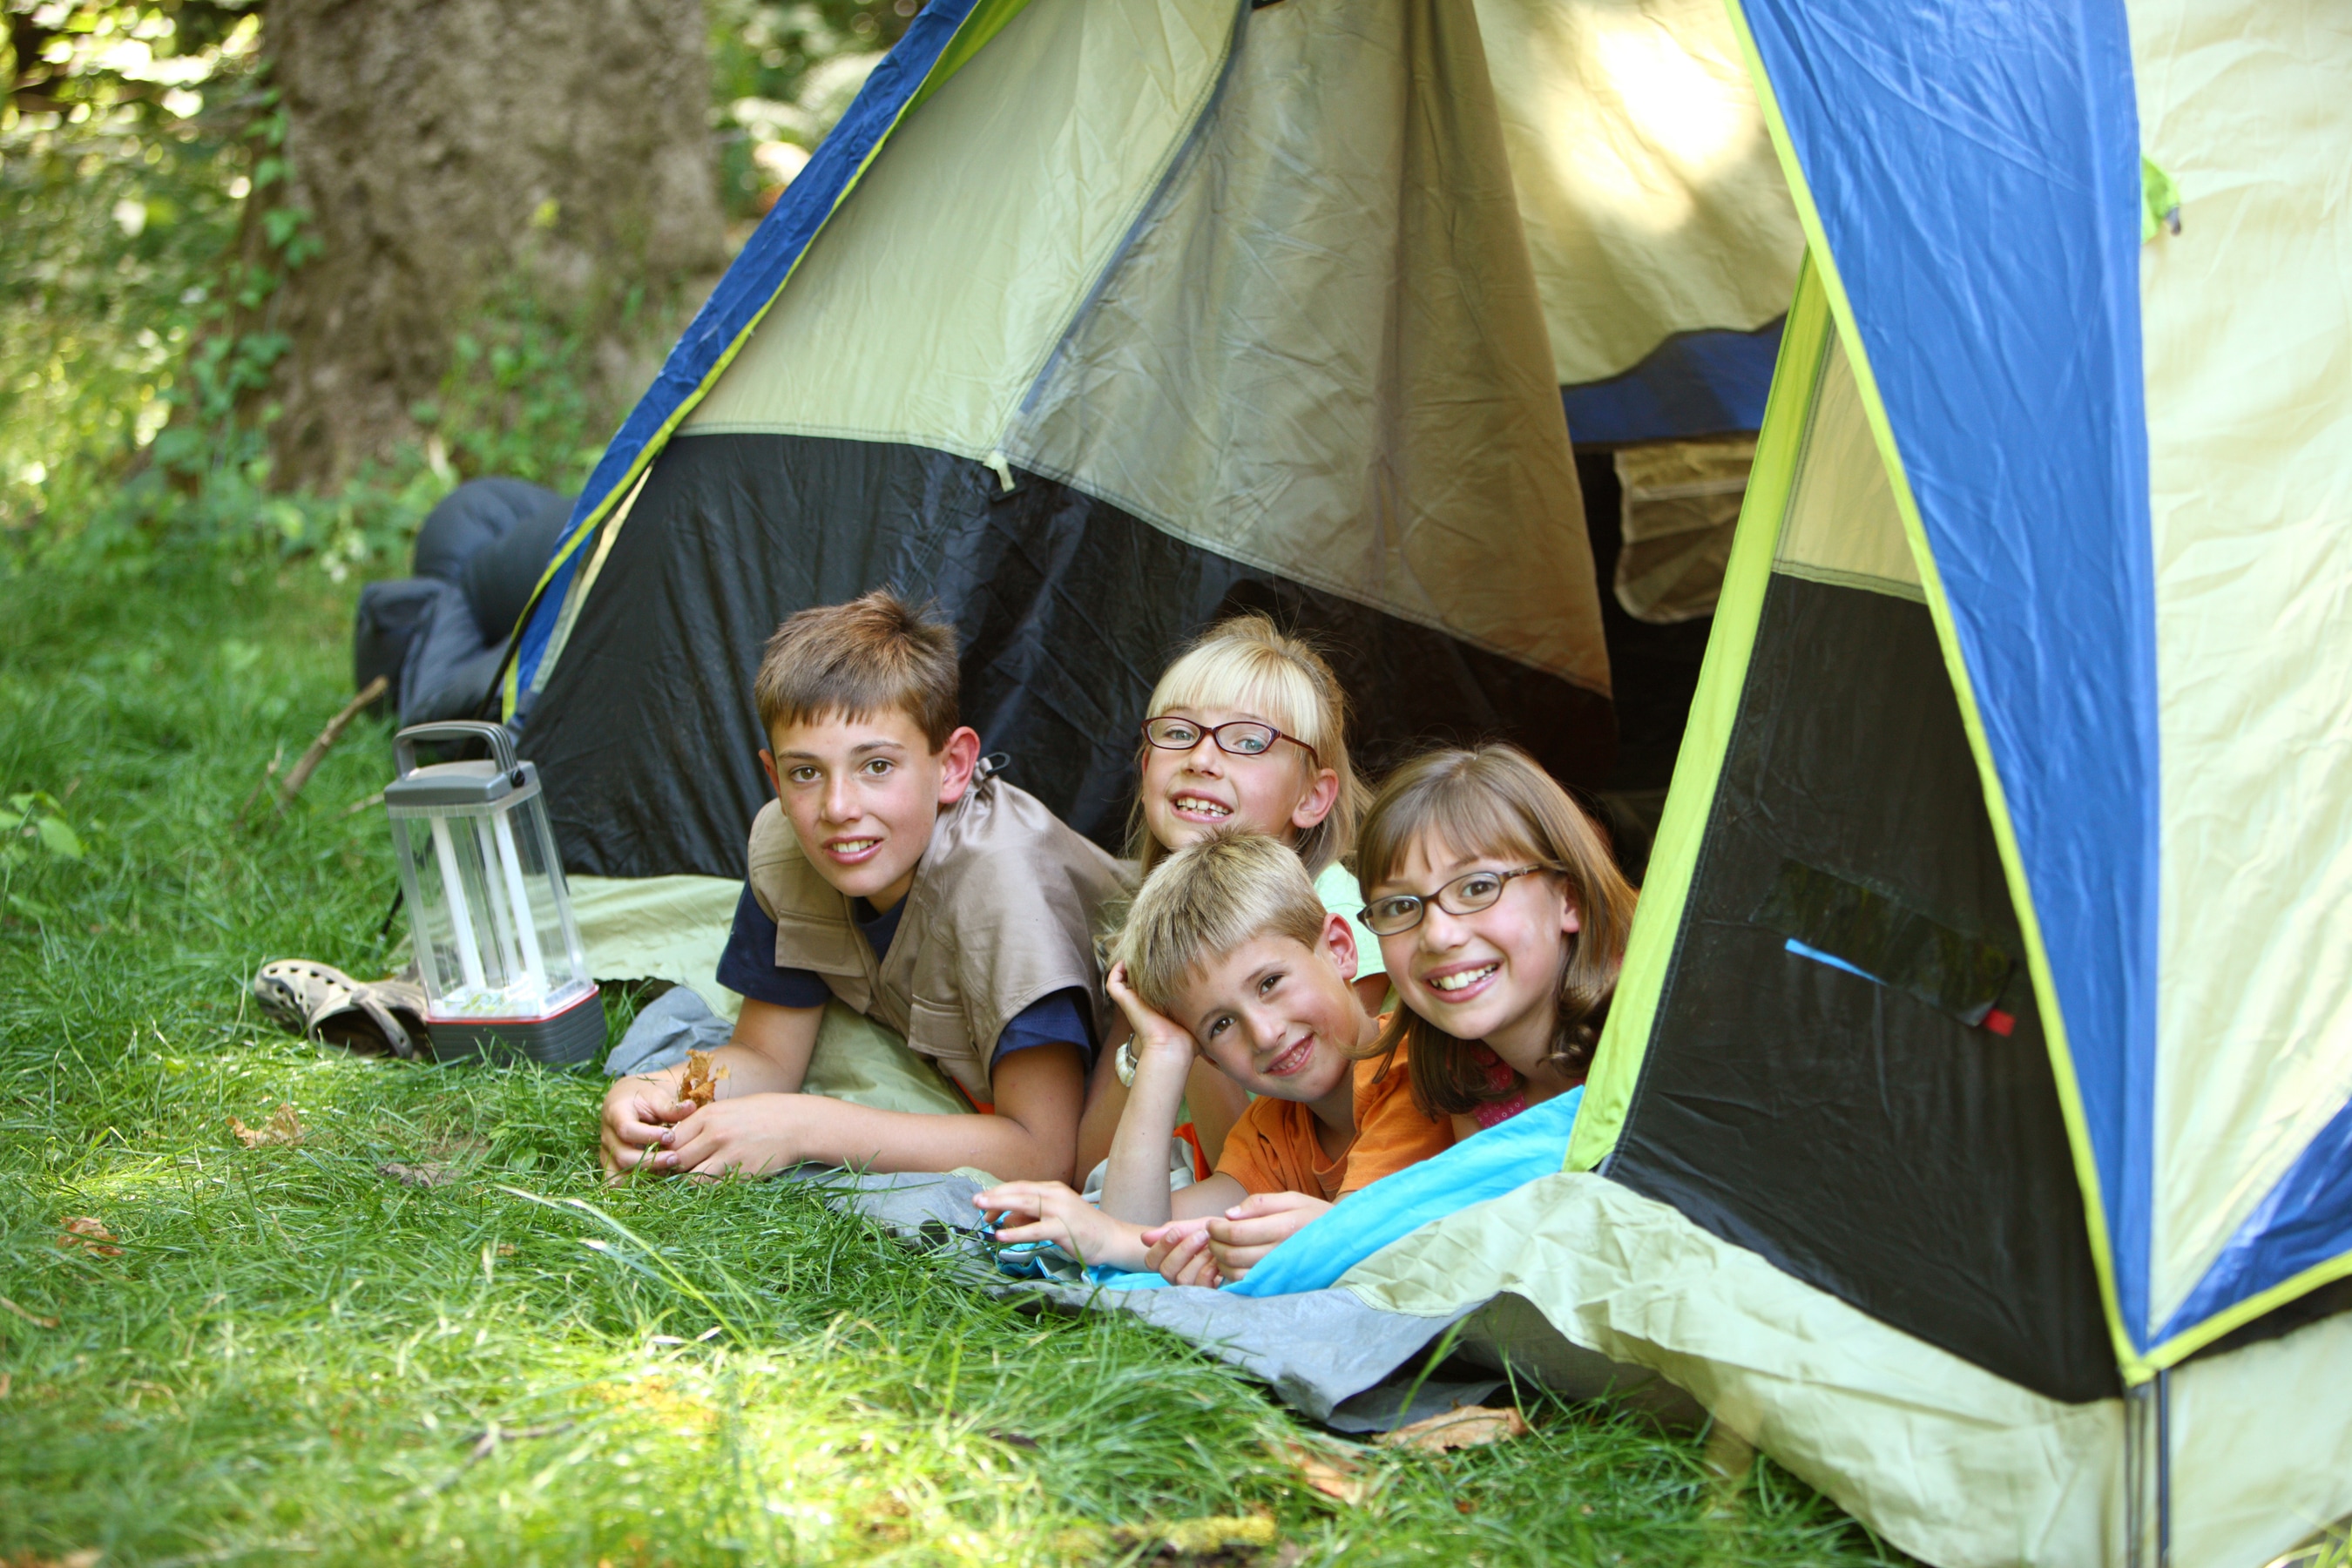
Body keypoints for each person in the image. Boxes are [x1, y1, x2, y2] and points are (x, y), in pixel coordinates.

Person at [598, 591, 1126, 1182]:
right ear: (774, 777)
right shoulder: (789, 844)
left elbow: (1044, 1155)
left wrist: (802, 1129)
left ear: (952, 766)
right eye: (806, 773)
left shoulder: (1005, 894)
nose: (839, 807)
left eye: (876, 766)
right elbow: (767, 1058)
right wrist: (654, 1089)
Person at [977, 832, 1453, 1286]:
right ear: (1211, 1058)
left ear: (1339, 949)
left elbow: (1347, 1246)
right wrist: (1164, 1050)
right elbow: (1140, 1230)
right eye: (1220, 1025)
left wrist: (1112, 1238)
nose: (1265, 1034)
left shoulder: (1415, 1070)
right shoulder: (1272, 1129)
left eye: (1270, 983)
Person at [1074, 614, 1385, 1175]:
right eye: (1178, 733)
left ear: (1312, 798)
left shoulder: (1336, 918)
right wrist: (1160, 1037)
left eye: (1248, 741)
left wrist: (1191, 1014)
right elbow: (1089, 1163)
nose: (1201, 758)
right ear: (1147, 768)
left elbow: (1252, 1174)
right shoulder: (1156, 932)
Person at [1354, 744, 1636, 1140]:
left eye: (1477, 887)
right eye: (1399, 906)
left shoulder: (1651, 1036)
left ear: (1570, 899)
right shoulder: (1470, 1076)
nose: (1438, 935)